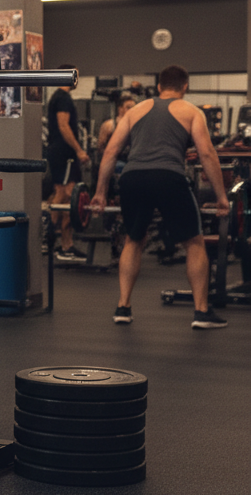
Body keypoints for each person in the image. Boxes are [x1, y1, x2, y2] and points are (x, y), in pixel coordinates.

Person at [92, 64, 230, 329]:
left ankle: (123, 307)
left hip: (133, 178)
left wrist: (100, 193)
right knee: (193, 242)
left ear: (158, 87)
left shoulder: (135, 110)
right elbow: (207, 154)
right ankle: (201, 312)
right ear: (185, 87)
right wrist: (221, 197)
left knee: (134, 239)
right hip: (168, 177)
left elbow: (110, 152)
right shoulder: (191, 111)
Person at [47, 69, 89, 261]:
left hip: (61, 153)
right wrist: (79, 150)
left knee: (64, 196)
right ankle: (57, 242)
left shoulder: (58, 96)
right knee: (66, 196)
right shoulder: (62, 97)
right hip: (64, 153)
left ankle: (59, 244)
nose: (77, 80)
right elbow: (64, 126)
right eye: (75, 76)